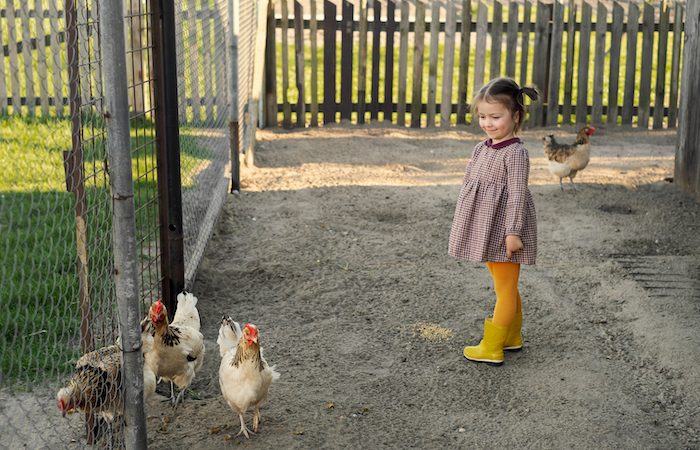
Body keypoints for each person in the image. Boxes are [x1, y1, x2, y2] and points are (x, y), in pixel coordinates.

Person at [448, 77, 539, 365]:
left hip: (503, 229)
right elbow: (469, 183)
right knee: (504, 285)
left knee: (506, 286)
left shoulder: (516, 153)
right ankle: (511, 337)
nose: (488, 123)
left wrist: (513, 232)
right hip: (484, 226)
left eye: (496, 117)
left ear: (515, 116)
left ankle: (492, 346)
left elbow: (516, 194)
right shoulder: (482, 147)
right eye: (483, 117)